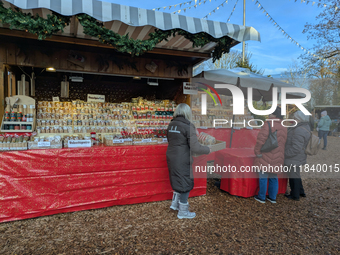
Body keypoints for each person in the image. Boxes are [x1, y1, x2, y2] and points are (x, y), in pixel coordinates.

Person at [166, 103, 210, 219]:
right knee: (185, 183)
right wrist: (208, 149)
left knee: (176, 179)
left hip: (171, 156)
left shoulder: (171, 124)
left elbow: (170, 140)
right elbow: (195, 148)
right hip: (182, 158)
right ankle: (183, 212)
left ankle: (175, 204)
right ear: (188, 113)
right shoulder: (188, 126)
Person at [253, 106, 287, 204]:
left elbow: (261, 140)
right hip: (278, 155)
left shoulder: (268, 124)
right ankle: (272, 198)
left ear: (273, 114)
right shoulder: (284, 125)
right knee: (274, 177)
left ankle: (261, 197)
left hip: (266, 154)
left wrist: (258, 152)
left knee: (263, 176)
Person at [284, 111, 311, 201]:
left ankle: (295, 195)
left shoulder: (298, 130)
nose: (293, 119)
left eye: (295, 118)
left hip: (294, 157)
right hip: (299, 157)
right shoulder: (305, 127)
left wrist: (285, 153)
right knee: (296, 175)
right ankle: (301, 192)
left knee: (293, 176)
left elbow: (296, 148)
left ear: (299, 119)